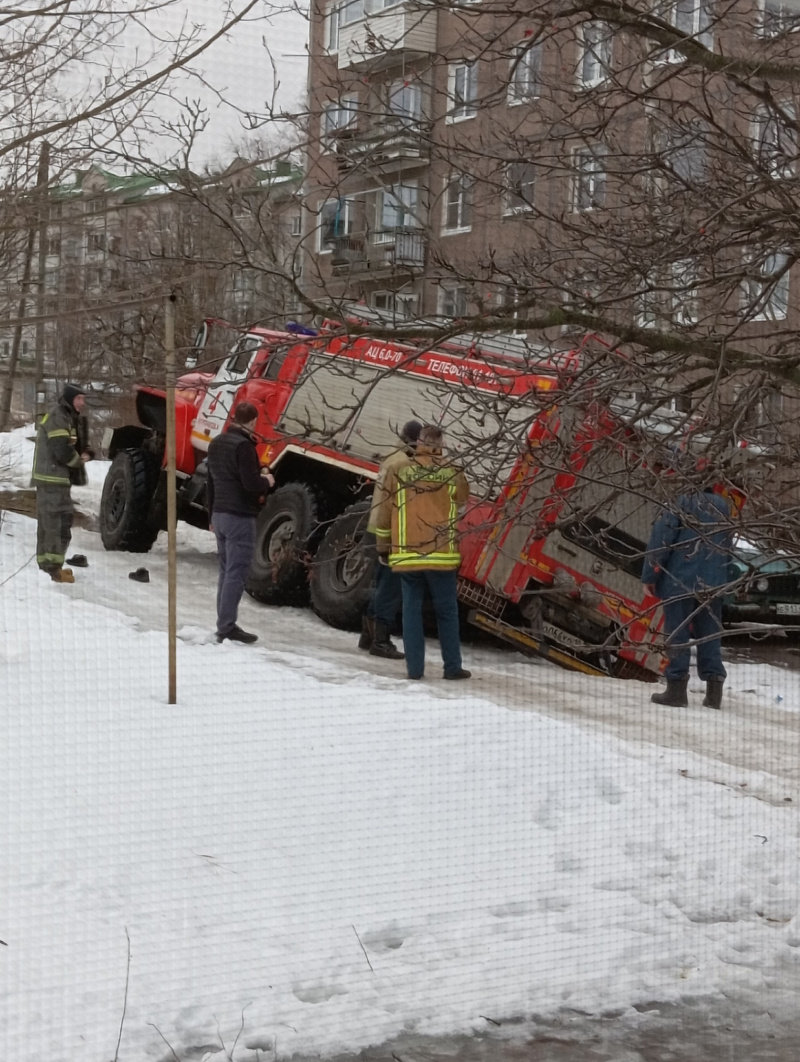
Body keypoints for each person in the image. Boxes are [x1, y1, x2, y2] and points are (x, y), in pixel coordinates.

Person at [374, 424, 471, 681]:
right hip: (442, 554)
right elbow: (462, 502)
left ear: (418, 443)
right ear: (441, 446)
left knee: (411, 610)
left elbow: (384, 514)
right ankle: (452, 667)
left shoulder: (398, 470)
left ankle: (415, 670)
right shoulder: (453, 472)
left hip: (408, 554)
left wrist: (383, 547)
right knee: (447, 612)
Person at [641, 482, 737, 709]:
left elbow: (661, 540)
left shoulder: (680, 502)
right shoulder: (723, 506)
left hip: (679, 581)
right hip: (713, 584)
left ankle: (676, 691)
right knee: (710, 634)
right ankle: (714, 692)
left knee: (677, 633)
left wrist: (649, 575)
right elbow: (728, 546)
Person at [207, 401, 275, 644]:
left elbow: (211, 482)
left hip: (219, 514)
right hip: (239, 517)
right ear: (253, 421)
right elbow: (250, 483)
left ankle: (224, 622)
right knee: (236, 572)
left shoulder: (216, 443)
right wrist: (266, 480)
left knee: (225, 571)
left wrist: (210, 516)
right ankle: (226, 627)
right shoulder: (244, 447)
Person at [359, 418, 423, 660]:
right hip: (392, 534)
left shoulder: (393, 457)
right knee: (391, 588)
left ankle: (368, 636)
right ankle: (381, 641)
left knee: (380, 583)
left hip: (377, 529)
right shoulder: (405, 465)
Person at [31, 383, 93, 583]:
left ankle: (49, 566)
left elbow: (73, 442)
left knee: (54, 522)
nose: (82, 403)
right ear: (69, 399)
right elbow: (61, 449)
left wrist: (87, 452)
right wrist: (77, 461)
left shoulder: (68, 418)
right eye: (79, 399)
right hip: (52, 480)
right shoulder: (59, 417)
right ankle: (53, 569)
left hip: (56, 480)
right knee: (57, 524)